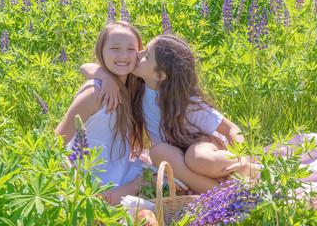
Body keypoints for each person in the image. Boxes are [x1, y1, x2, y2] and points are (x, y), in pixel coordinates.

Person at [80, 35, 259, 194]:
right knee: (158, 152)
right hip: (175, 160)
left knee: (196, 158)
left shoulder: (186, 103)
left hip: (202, 146)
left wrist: (242, 154)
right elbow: (84, 67)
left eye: (146, 55)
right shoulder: (138, 86)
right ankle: (221, 194)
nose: (138, 54)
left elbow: (231, 129)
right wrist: (106, 77)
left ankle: (247, 169)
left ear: (159, 75)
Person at [55, 21, 147, 206]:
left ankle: (112, 198)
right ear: (101, 52)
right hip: (85, 174)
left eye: (131, 49)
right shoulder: (94, 94)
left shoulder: (134, 88)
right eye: (114, 48)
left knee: (164, 177)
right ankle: (103, 202)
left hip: (115, 170)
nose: (123, 55)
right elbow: (55, 143)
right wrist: (76, 184)